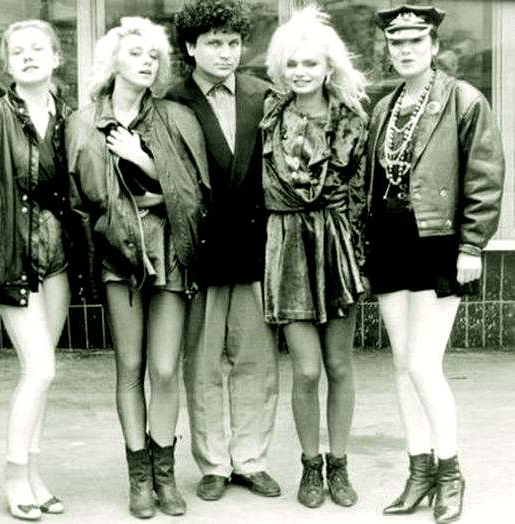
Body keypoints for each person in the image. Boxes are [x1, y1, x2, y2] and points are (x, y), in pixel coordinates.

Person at [66, 17, 209, 519]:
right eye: (136, 54)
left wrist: (144, 160)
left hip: (169, 250)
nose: (147, 62)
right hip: (117, 255)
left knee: (165, 368)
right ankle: (140, 477)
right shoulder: (83, 122)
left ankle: (165, 473)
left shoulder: (176, 117)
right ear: (113, 62)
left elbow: (195, 194)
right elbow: (80, 202)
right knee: (129, 367)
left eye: (154, 56)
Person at [367, 5, 504, 524]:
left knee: (425, 364)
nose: (405, 50)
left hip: (438, 243)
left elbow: (484, 177)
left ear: (435, 47)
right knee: (403, 364)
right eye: (396, 43)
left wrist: (472, 246)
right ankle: (419, 472)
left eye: (415, 41)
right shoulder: (385, 107)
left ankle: (450, 473)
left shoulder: (464, 99)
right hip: (390, 243)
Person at [167, 0, 280, 502]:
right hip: (202, 251)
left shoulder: (264, 96)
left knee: (257, 362)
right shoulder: (171, 101)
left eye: (234, 43)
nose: (226, 53)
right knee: (204, 364)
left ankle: (251, 459)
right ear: (191, 47)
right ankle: (213, 463)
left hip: (255, 247)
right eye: (214, 43)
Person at [260, 5, 368, 510]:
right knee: (305, 370)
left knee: (339, 365)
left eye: (310, 63)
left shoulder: (353, 121)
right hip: (287, 248)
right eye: (292, 63)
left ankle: (339, 463)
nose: (300, 72)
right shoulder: (268, 118)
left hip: (337, 247)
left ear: (329, 68)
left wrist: (360, 258)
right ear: (281, 68)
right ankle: (310, 464)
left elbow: (362, 195)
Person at [0, 20, 71, 521]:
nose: (29, 56)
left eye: (38, 48)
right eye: (18, 51)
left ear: (56, 58)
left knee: (41, 375)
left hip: (58, 263)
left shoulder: (70, 118)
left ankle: (34, 474)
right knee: (41, 369)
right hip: (13, 260)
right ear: (6, 64)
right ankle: (15, 475)